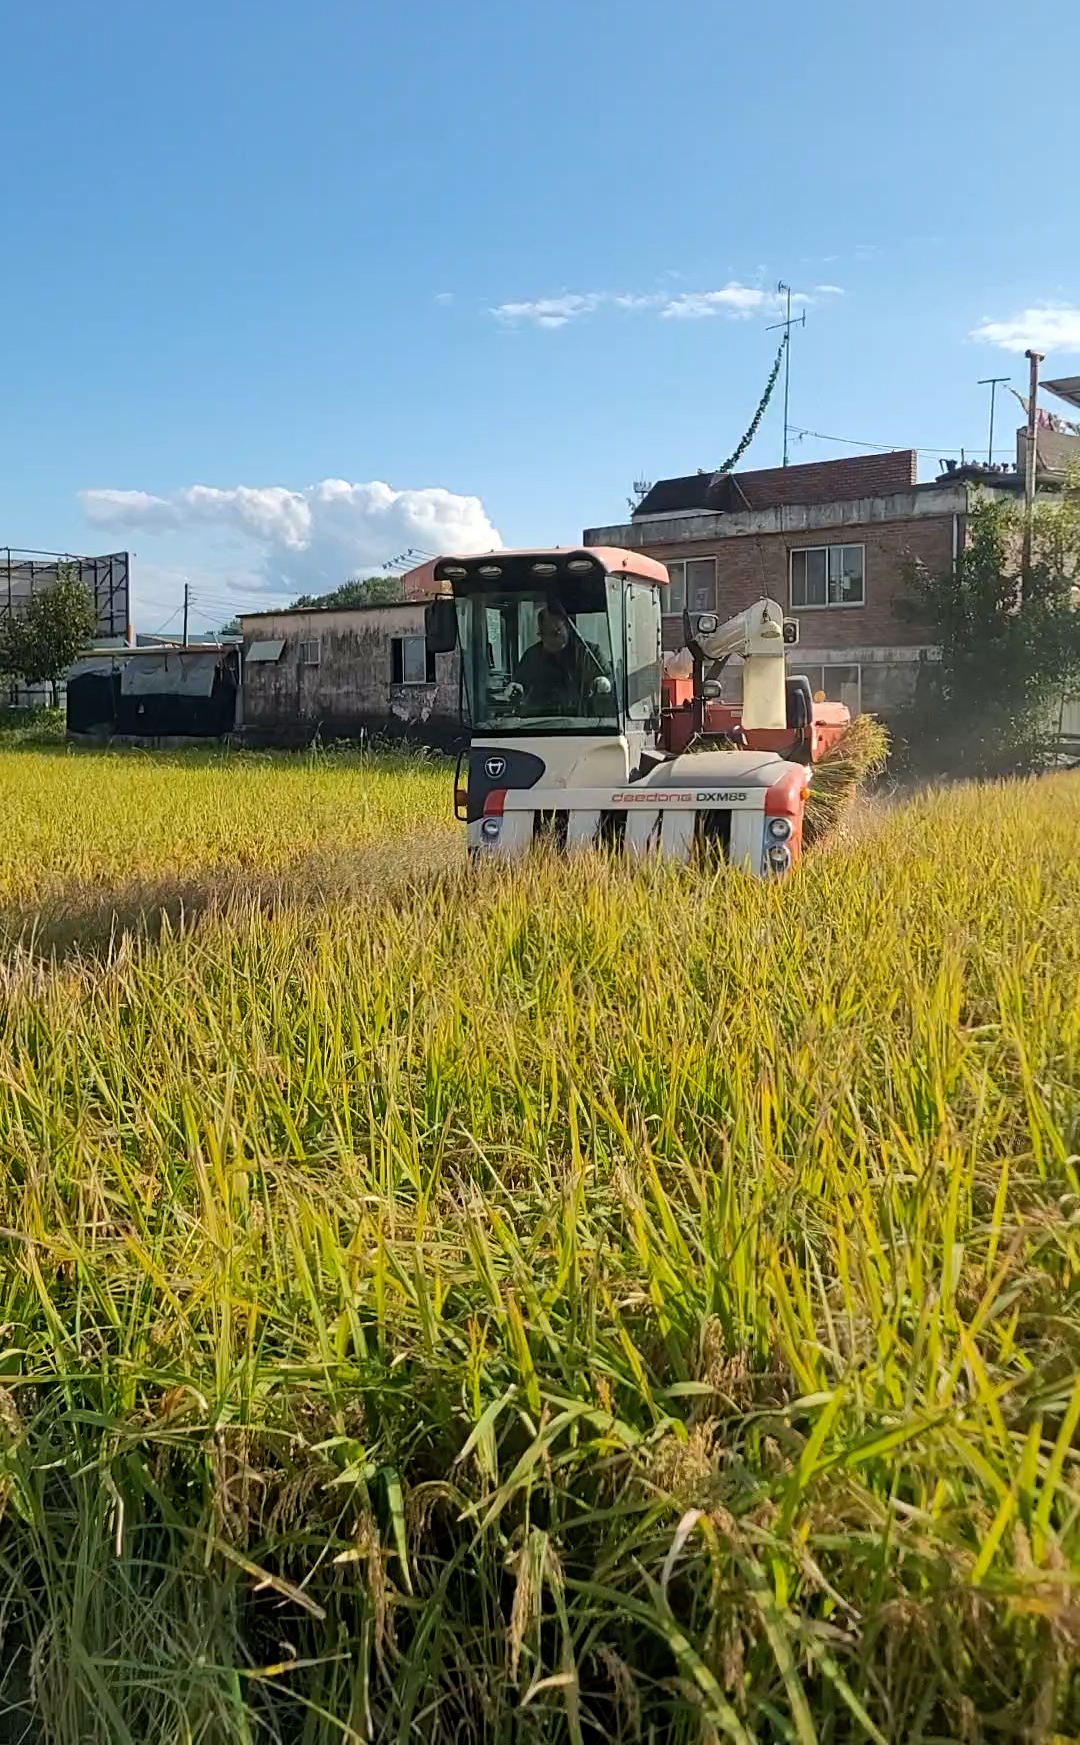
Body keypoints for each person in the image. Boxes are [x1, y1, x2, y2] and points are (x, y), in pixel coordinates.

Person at [513, 604, 597, 715]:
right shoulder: (532, 656)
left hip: (585, 725)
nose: (549, 639)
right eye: (543, 634)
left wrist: (601, 682)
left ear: (567, 626)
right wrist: (516, 688)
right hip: (540, 724)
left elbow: (610, 683)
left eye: (555, 633)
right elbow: (520, 683)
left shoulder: (589, 653)